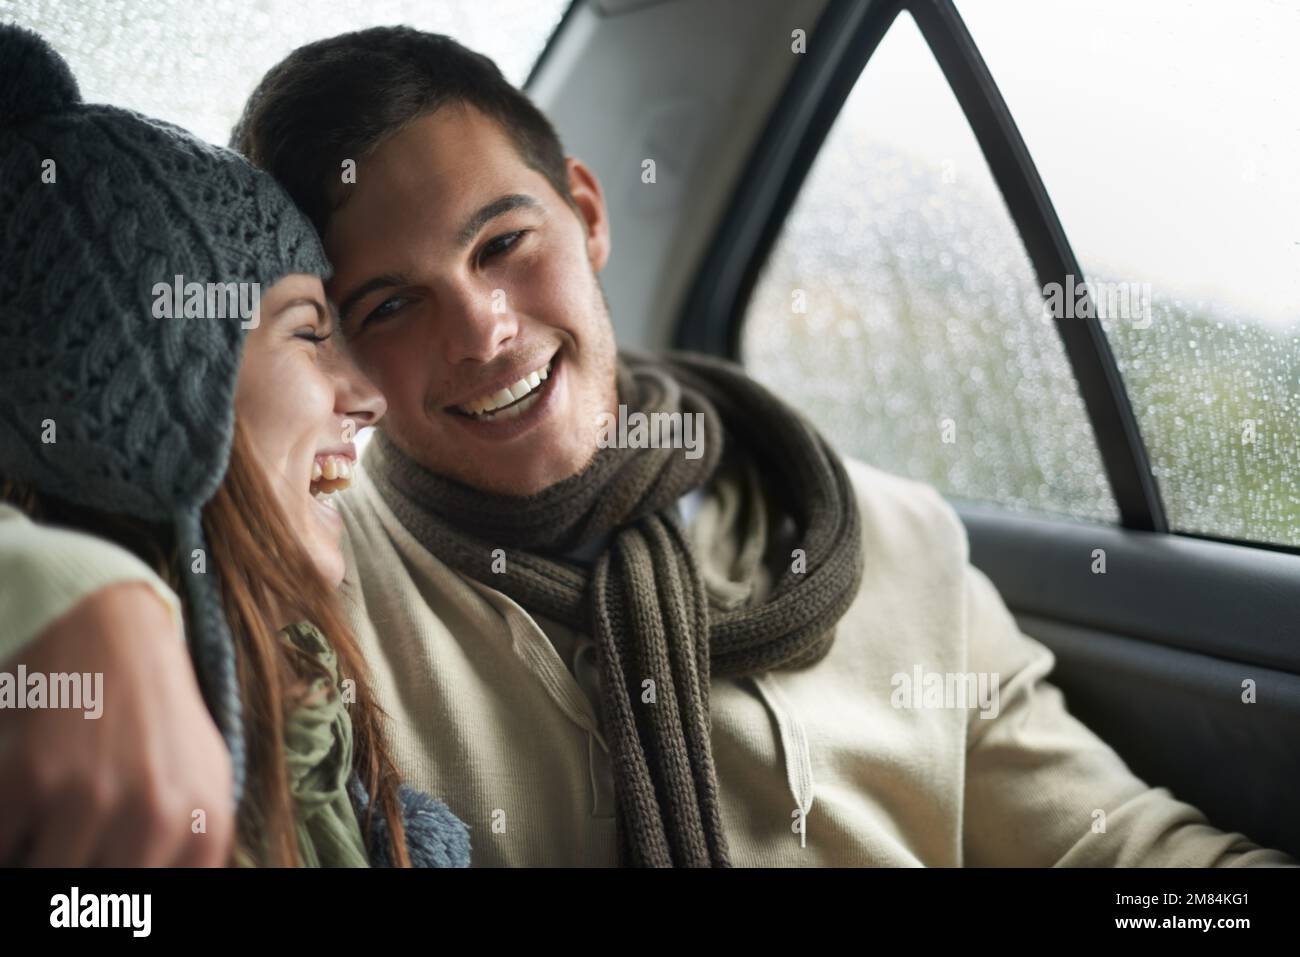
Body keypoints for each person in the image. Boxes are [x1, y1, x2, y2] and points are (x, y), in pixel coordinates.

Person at [5, 25, 1292, 867]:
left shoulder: (884, 537)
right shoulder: (311, 594)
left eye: (502, 244)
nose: (486, 331)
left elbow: (1117, 851)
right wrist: (71, 598)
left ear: (583, 215)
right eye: (386, 307)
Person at [0, 26, 470, 867]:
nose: (369, 397)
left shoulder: (325, 732)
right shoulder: (56, 752)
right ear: (149, 391)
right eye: (307, 330)